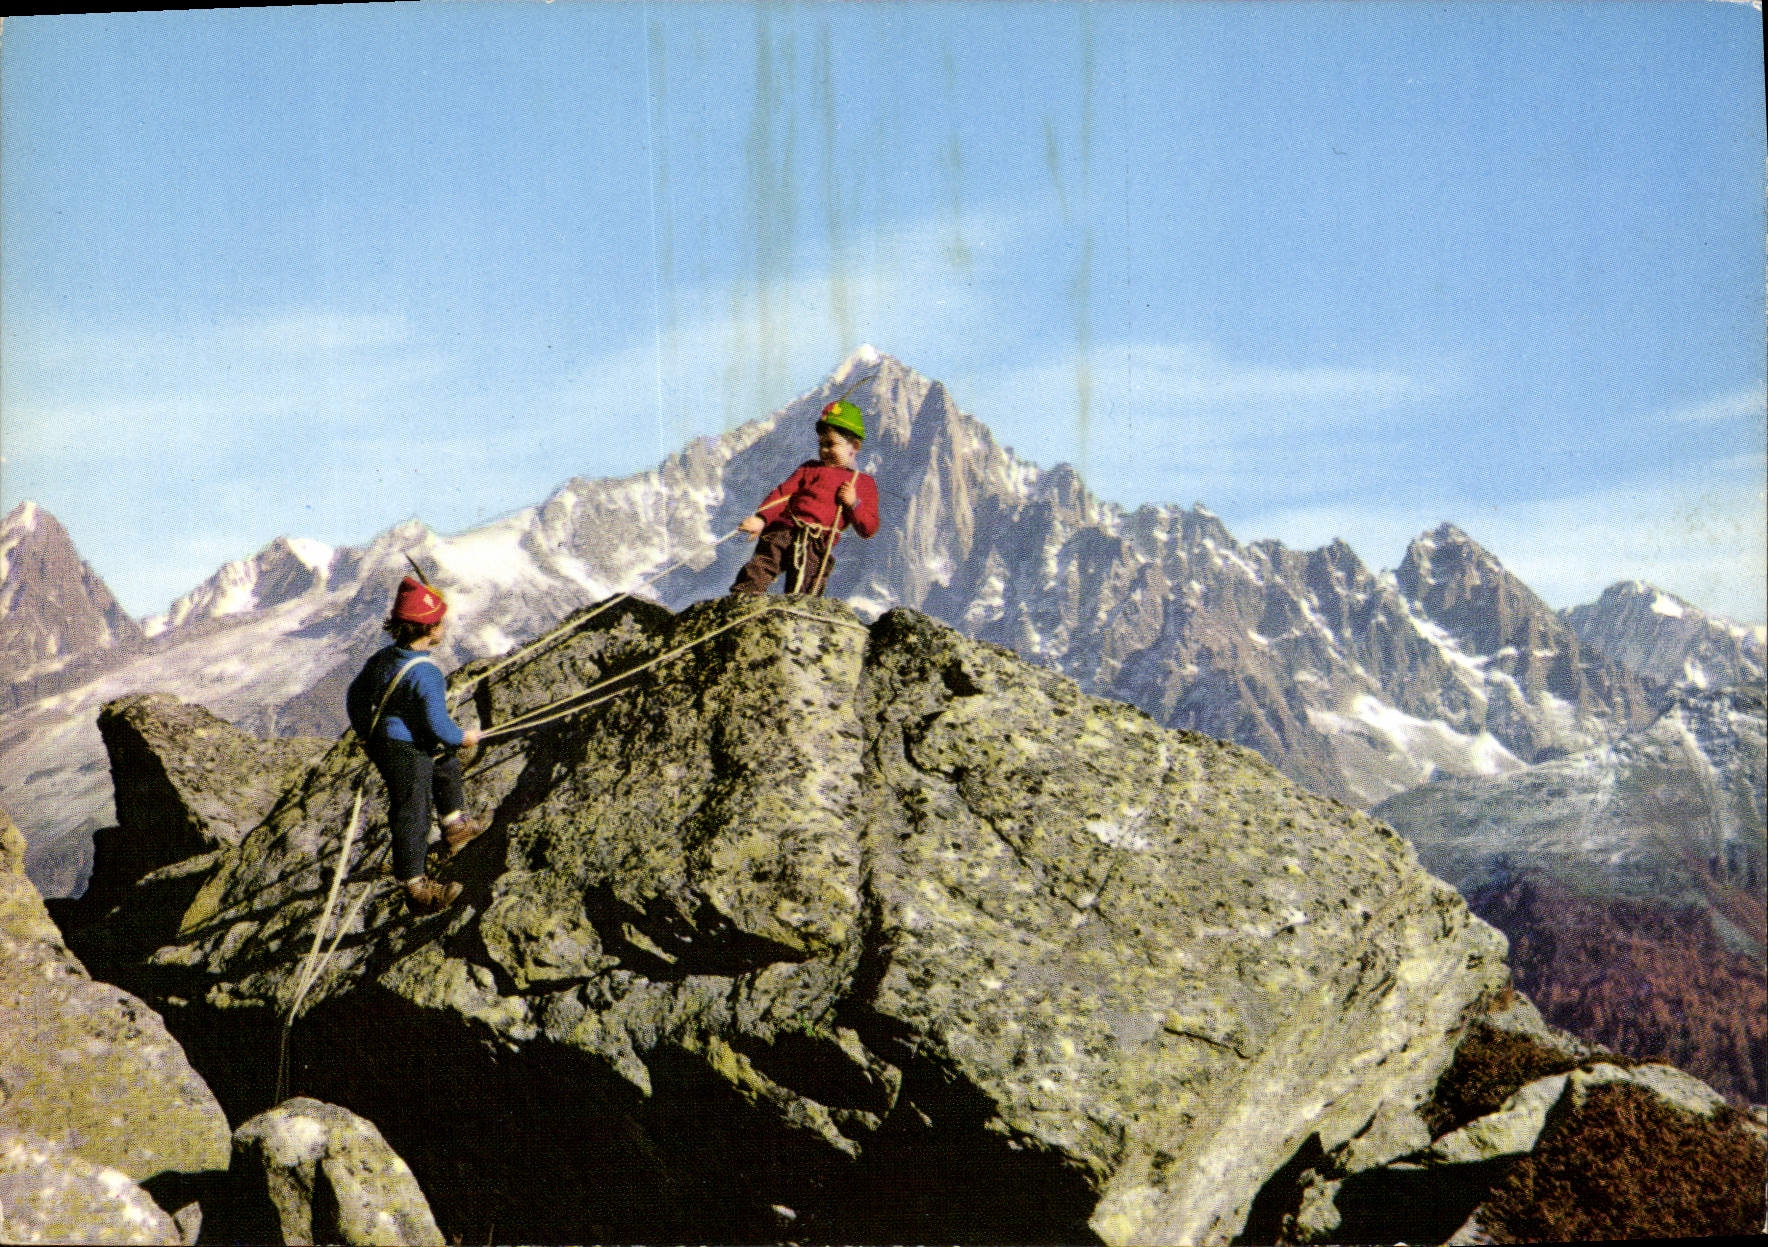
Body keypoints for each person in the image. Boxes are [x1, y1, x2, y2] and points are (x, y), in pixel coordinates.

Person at [345, 575, 488, 914]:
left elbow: (355, 695)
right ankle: (415, 887)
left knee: (443, 761)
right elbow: (439, 725)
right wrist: (464, 738)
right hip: (405, 750)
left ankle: (454, 825)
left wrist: (364, 732)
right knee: (413, 810)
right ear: (430, 629)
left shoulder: (384, 658)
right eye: (441, 622)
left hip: (386, 740)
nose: (444, 628)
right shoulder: (426, 674)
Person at [730, 398, 881, 596]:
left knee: (809, 581)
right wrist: (762, 519)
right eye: (821, 444)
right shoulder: (809, 469)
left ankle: (800, 610)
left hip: (818, 541)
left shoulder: (862, 483)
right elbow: (783, 494)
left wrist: (854, 504)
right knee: (762, 564)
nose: (824, 450)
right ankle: (743, 598)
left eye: (830, 444)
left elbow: (869, 528)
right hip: (784, 530)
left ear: (854, 446)